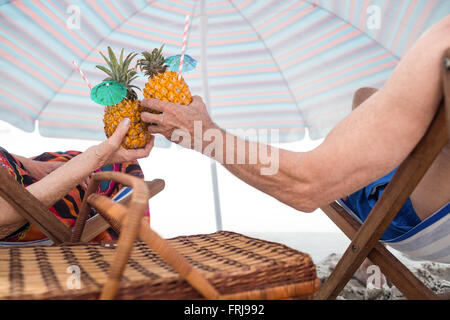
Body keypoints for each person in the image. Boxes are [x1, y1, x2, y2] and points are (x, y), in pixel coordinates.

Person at [139, 17, 450, 284]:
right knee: (366, 96)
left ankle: (367, 257)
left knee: (366, 114)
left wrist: (206, 135)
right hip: (432, 211)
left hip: (418, 216)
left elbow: (307, 184)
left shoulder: (441, 43)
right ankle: (367, 258)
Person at [0, 118, 154, 242]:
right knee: (122, 168)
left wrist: (34, 166)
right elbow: (9, 213)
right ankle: (127, 251)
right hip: (32, 209)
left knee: (117, 166)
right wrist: (92, 159)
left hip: (19, 169)